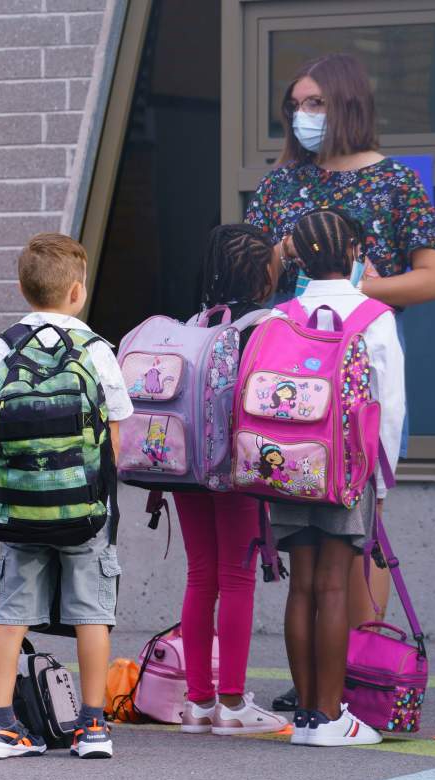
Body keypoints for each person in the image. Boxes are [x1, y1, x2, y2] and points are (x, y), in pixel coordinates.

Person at [244, 54, 435, 711]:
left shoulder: (393, 182)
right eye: (294, 106)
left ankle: (359, 667)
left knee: (363, 529)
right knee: (304, 536)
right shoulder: (281, 185)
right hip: (290, 383)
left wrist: (354, 291)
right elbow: (249, 273)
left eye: (314, 104)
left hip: (364, 380)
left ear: (347, 106)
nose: (302, 117)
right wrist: (274, 264)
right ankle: (320, 679)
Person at [0, 233, 132, 760]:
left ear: (21, 287)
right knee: (91, 613)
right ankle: (92, 727)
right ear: (77, 292)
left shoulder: (1, 345)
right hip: (84, 509)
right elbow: (118, 440)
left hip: (16, 507)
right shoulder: (96, 349)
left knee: (10, 613)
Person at [275, 210, 404, 747]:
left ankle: (305, 716)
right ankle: (331, 717)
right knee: (333, 585)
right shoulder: (375, 315)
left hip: (282, 464)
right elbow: (388, 404)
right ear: (355, 251)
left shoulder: (280, 314)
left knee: (301, 586)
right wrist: (382, 480)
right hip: (345, 466)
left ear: (299, 258)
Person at [175, 225, 285, 736]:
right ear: (265, 272)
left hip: (187, 466)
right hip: (238, 469)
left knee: (201, 576)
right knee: (237, 578)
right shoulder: (269, 325)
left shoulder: (195, 323)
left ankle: (198, 701)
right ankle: (234, 704)